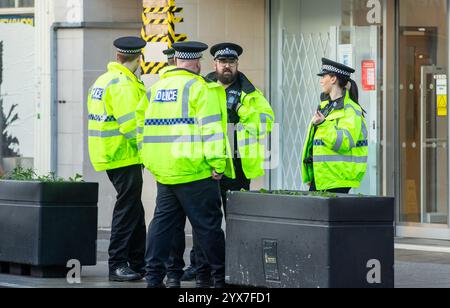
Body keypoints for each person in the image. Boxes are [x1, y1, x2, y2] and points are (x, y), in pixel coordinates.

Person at [136, 41, 234, 288]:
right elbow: (212, 131)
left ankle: (155, 279)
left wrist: (148, 158)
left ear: (177, 60)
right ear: (197, 62)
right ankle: (219, 280)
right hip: (195, 172)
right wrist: (218, 165)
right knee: (208, 228)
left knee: (161, 227)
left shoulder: (154, 90)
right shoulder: (200, 88)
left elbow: (140, 128)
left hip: (165, 173)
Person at [87, 36, 147, 282]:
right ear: (137, 58)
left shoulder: (103, 80)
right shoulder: (123, 84)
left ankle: (138, 261)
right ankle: (118, 264)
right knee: (127, 208)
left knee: (134, 208)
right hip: (124, 155)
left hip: (109, 153)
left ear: (119, 56)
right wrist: (150, 152)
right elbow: (132, 126)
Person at [207, 42, 275, 211]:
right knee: (207, 217)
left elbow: (265, 123)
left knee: (236, 215)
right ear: (214, 63)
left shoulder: (249, 93)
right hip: (208, 164)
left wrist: (241, 109)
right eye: (222, 61)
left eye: (231, 61)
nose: (227, 66)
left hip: (238, 166)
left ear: (237, 64)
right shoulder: (204, 89)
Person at [301, 58, 369, 193]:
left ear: (333, 79)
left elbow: (345, 142)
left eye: (323, 76)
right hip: (324, 177)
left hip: (337, 178)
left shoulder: (350, 109)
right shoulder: (326, 107)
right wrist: (313, 174)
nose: (321, 81)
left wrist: (324, 125)